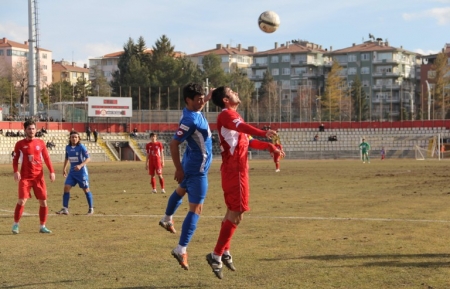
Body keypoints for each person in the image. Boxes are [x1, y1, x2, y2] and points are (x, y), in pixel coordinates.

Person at [206, 86, 283, 279]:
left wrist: (269, 147)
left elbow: (248, 140)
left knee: (232, 212)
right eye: (232, 91)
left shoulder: (235, 116)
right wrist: (262, 132)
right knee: (237, 213)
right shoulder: (227, 116)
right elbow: (244, 130)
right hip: (235, 171)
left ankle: (224, 251)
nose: (237, 93)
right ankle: (216, 255)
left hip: (235, 171)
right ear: (225, 99)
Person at [158, 83, 213, 271]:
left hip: (192, 161)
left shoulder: (193, 110)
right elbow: (173, 145)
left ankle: (167, 218)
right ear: (188, 100)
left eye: (202, 99)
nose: (201, 102)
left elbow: (200, 104)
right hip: (197, 168)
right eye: (198, 100)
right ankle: (181, 249)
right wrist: (178, 168)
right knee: (196, 209)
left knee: (180, 191)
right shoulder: (190, 121)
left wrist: (207, 97)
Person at [11, 119, 55, 234]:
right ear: (25, 130)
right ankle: (16, 225)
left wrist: (52, 171)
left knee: (43, 202)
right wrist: (16, 171)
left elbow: (46, 158)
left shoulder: (40, 143)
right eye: (29, 128)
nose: (31, 130)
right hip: (25, 177)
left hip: (39, 178)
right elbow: (15, 160)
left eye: (33, 128)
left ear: (36, 130)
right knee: (21, 201)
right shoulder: (20, 144)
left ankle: (42, 226)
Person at [56, 130, 94, 215]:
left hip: (82, 172)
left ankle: (91, 209)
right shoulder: (67, 147)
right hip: (72, 172)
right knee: (66, 187)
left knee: (86, 189)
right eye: (72, 137)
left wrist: (80, 165)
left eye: (76, 137)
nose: (74, 139)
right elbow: (66, 158)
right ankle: (65, 209)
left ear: (78, 138)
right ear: (70, 138)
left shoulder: (81, 147)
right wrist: (64, 168)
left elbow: (88, 158)